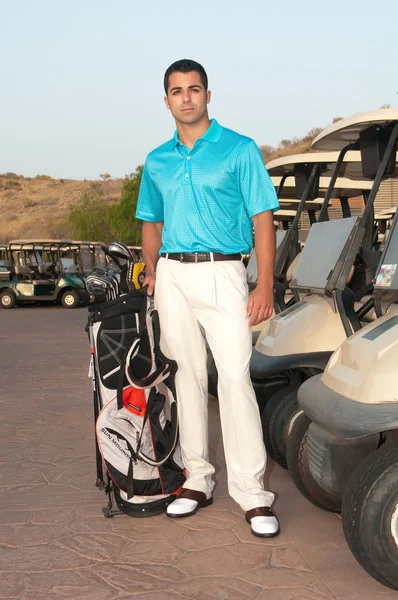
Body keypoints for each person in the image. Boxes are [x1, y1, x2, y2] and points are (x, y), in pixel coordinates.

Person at [136, 59, 280, 538]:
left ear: (207, 95)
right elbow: (150, 222)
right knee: (187, 379)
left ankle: (252, 491)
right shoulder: (157, 160)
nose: (187, 98)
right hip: (174, 275)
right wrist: (153, 269)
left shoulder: (239, 150)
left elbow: (263, 218)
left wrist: (265, 283)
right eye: (177, 91)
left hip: (225, 272)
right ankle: (198, 479)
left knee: (235, 379)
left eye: (194, 89)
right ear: (167, 101)